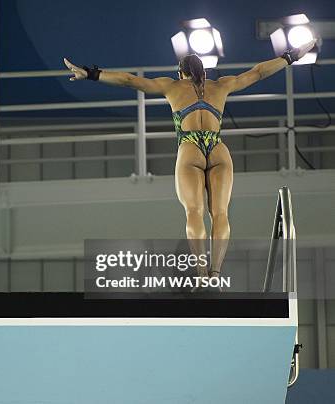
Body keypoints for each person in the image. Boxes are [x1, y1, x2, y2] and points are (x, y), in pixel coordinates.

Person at [63, 39, 316, 283]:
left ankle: (202, 274)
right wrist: (292, 56)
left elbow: (130, 81)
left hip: (190, 146)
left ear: (180, 73)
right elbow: (259, 72)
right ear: (204, 74)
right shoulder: (221, 86)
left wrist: (91, 73)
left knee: (194, 212)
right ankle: (216, 274)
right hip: (217, 148)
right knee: (220, 213)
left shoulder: (172, 86)